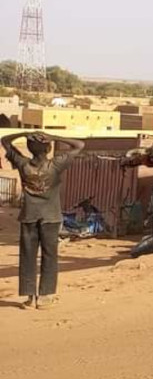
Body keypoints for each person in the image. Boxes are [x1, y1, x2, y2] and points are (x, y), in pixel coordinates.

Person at [2, 131, 84, 310]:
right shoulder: (56, 165)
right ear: (48, 148)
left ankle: (30, 297)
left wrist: (25, 133)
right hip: (51, 217)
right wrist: (54, 137)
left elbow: (4, 140)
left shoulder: (22, 164)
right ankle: (45, 297)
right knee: (50, 256)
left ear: (30, 149)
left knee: (28, 257)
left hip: (29, 217)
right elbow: (79, 145)